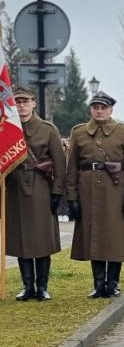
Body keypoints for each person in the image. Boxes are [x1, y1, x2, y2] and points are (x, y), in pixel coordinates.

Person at [64, 91, 124, 298]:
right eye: (95, 107)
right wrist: (72, 197)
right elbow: (72, 167)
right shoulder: (79, 132)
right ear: (90, 109)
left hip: (116, 190)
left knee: (115, 237)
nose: (99, 111)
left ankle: (113, 283)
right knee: (94, 236)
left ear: (111, 110)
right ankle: (98, 284)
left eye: (103, 108)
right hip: (87, 192)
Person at [6, 86, 66, 301]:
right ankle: (27, 286)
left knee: (42, 238)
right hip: (14, 188)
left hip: (41, 187)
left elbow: (60, 163)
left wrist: (57, 192)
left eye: (25, 101)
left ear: (33, 103)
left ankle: (42, 286)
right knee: (20, 238)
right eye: (17, 102)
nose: (21, 105)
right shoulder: (7, 129)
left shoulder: (48, 129)